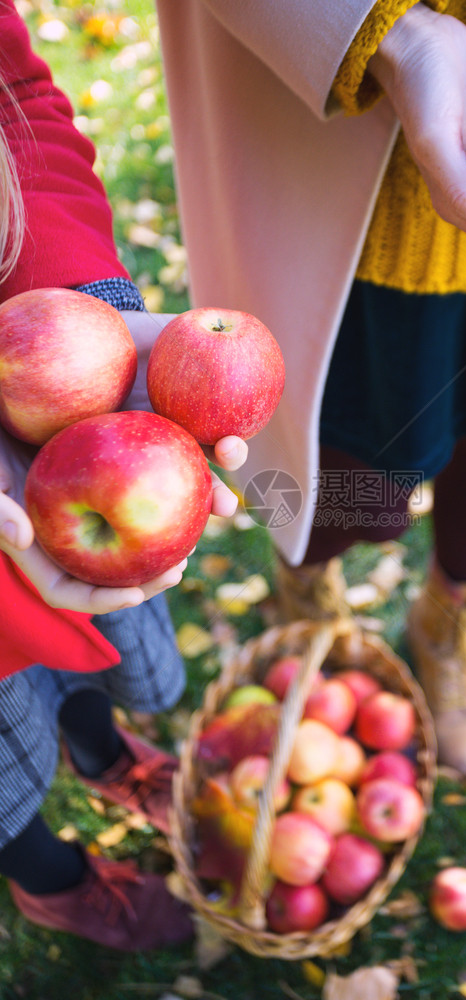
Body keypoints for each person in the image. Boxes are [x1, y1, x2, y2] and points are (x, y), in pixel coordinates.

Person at [154, 0, 466, 774]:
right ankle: (305, 579)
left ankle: (446, 617)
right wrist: (386, 33)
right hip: (344, 159)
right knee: (358, 470)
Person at [0, 4, 247, 951]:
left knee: (82, 623)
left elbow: (16, 98)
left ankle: (104, 756)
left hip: (58, 433)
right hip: (55, 469)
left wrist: (82, 308)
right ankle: (47, 876)